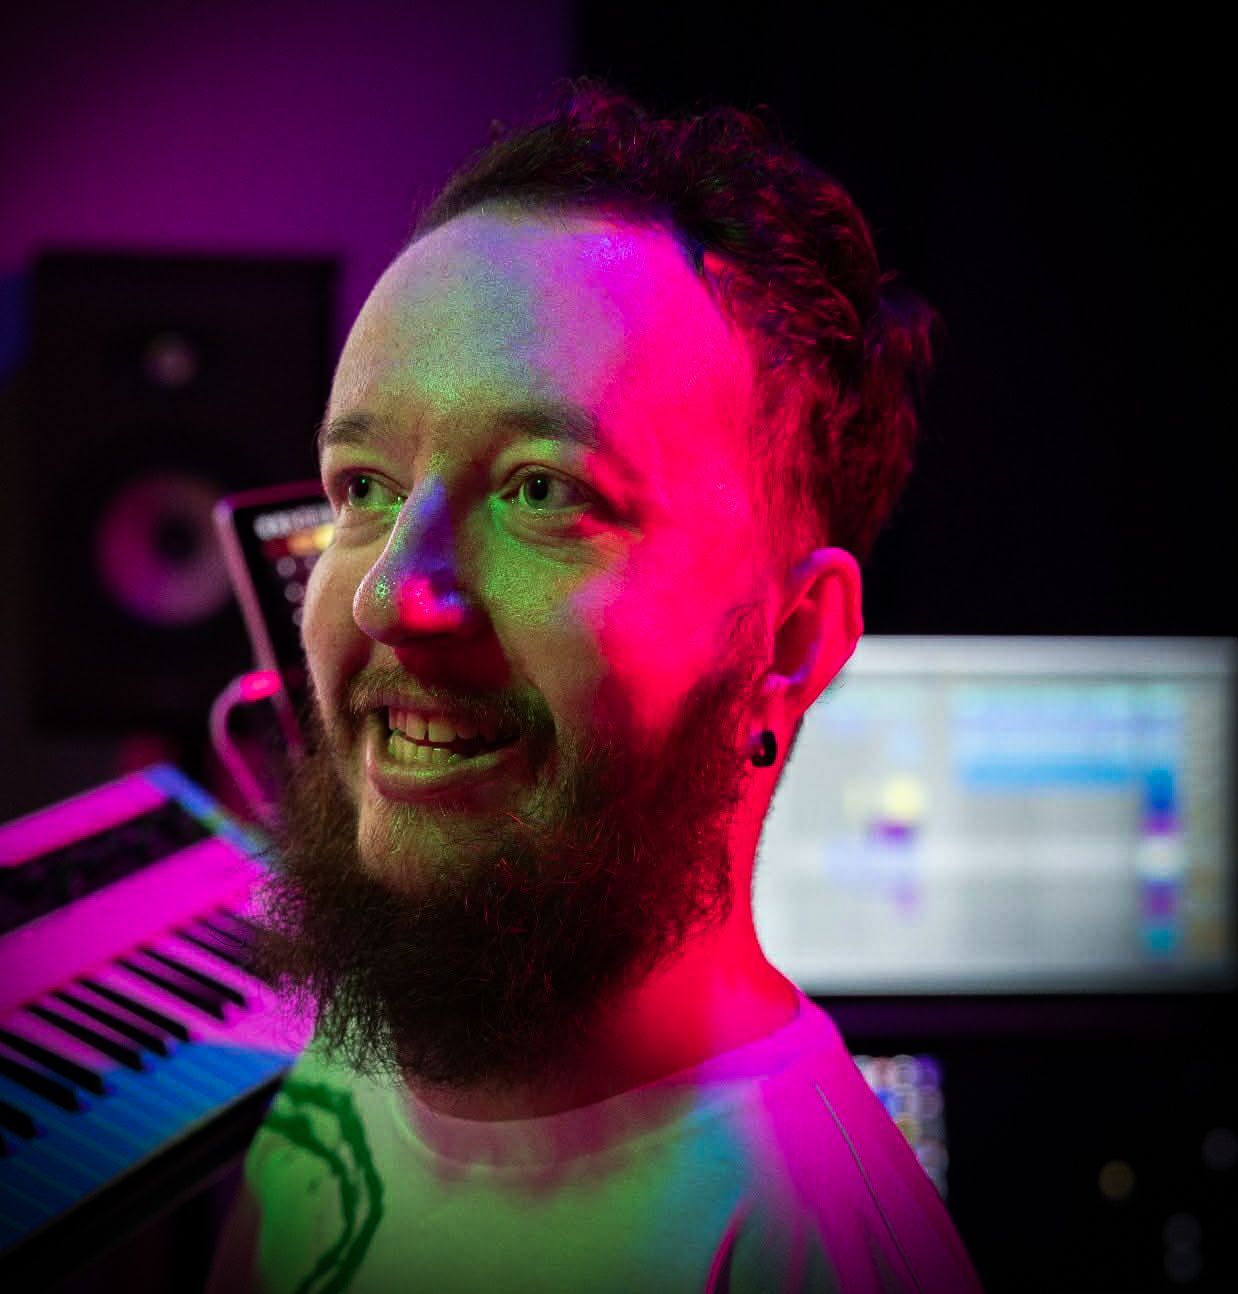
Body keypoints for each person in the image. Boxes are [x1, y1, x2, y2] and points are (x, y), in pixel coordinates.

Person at [206, 79, 983, 1293]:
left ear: (789, 640)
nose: (388, 594)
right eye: (364, 486)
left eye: (543, 491)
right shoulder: (377, 1033)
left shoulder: (807, 1250)